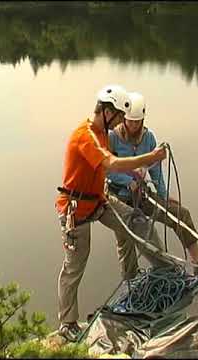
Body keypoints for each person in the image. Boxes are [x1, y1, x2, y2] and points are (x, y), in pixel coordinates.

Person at [55, 84, 170, 342]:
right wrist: (149, 157)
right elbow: (111, 163)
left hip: (98, 202)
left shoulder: (102, 133)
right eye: (118, 116)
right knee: (75, 265)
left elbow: (107, 169)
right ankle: (67, 323)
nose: (120, 122)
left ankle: (166, 271)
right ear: (107, 111)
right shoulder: (86, 136)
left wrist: (140, 176)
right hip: (75, 209)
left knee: (136, 221)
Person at [106, 92, 198, 271]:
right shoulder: (113, 138)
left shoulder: (148, 138)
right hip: (119, 198)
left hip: (141, 195)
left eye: (137, 121)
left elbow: (155, 171)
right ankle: (130, 282)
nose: (133, 125)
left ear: (142, 119)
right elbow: (106, 170)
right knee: (126, 242)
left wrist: (163, 196)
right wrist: (126, 181)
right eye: (130, 121)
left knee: (181, 215)